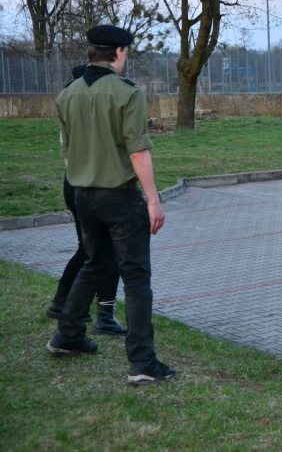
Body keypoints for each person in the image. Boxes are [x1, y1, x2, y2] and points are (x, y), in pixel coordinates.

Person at [47, 24, 174, 385]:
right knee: (136, 276)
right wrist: (153, 199)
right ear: (119, 53)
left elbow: (67, 150)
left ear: (92, 51)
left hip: (82, 194)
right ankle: (142, 362)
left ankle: (67, 333)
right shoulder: (127, 93)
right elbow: (137, 149)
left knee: (95, 262)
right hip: (118, 196)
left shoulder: (67, 94)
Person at [45, 64, 126, 336]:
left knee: (90, 250)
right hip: (92, 183)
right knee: (102, 252)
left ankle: (63, 303)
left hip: (75, 182)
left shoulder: (69, 104)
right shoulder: (83, 106)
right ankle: (101, 313)